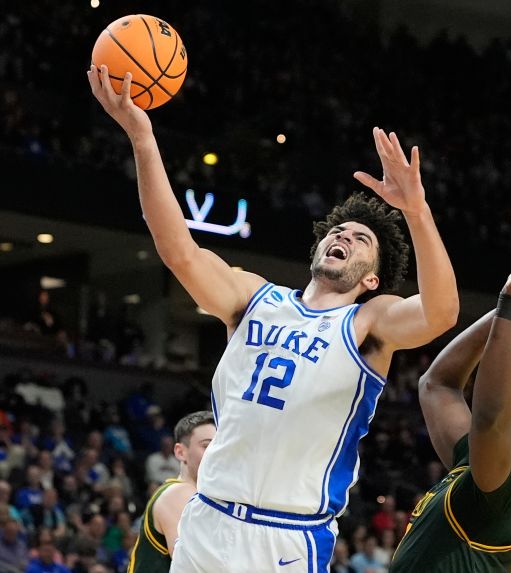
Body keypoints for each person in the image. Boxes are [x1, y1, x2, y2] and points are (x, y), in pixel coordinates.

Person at [87, 65, 458, 572]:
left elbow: (442, 312)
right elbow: (178, 250)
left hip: (286, 539)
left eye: (361, 239)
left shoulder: (369, 324)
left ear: (372, 278)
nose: (344, 237)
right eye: (339, 231)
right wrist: (142, 136)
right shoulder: (254, 297)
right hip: (209, 520)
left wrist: (417, 212)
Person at [391, 236, 511, 572]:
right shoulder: (476, 468)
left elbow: (489, 418)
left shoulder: (504, 492)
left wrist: (510, 301)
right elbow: (437, 385)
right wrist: (501, 313)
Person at [128, 411, 215, 573]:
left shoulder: (207, 498)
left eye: (218, 446)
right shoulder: (178, 493)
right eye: (206, 445)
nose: (214, 452)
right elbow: (192, 566)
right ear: (180, 452)